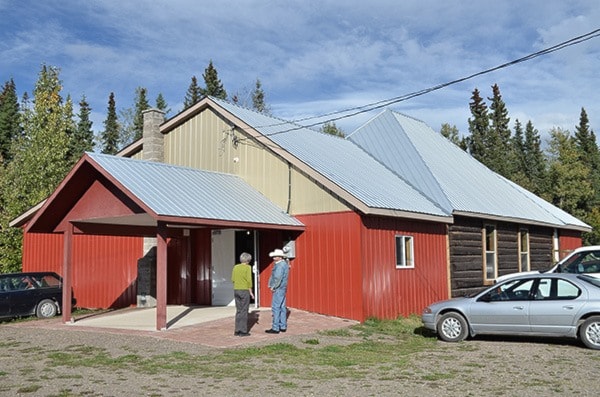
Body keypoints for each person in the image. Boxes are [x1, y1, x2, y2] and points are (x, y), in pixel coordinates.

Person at [265, 248, 290, 334]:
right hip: (283, 288)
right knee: (282, 307)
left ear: (280, 257)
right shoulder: (285, 264)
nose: (273, 258)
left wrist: (273, 286)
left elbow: (277, 278)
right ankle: (283, 326)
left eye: (275, 256)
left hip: (278, 288)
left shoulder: (279, 265)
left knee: (276, 307)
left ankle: (275, 327)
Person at [231, 252, 254, 336]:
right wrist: (251, 292)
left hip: (236, 289)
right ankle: (243, 331)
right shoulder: (248, 267)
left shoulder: (235, 267)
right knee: (244, 310)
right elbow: (249, 280)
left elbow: (232, 279)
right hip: (244, 290)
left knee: (239, 310)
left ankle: (236, 330)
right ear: (248, 260)